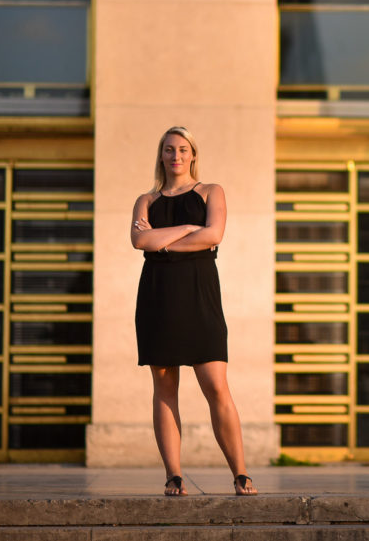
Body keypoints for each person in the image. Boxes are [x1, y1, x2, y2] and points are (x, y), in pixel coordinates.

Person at [130, 126, 256, 496]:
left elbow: (213, 235)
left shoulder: (210, 192)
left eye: (183, 149)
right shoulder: (146, 200)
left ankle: (241, 472)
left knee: (216, 385)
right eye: (169, 150)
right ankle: (174, 475)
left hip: (200, 295)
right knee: (165, 386)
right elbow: (140, 240)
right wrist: (186, 228)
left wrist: (163, 241)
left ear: (193, 154)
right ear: (161, 155)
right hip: (158, 296)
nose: (176, 156)